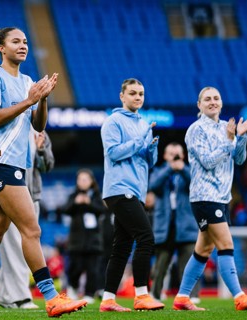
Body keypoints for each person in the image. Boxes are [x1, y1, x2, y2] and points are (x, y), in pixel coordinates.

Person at [0, 27, 86, 319]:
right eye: (16, 41)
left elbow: (38, 126)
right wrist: (28, 100)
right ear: (2, 47)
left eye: (26, 41)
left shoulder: (27, 80)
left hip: (14, 164)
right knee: (32, 229)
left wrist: (43, 98)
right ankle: (51, 298)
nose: (23, 45)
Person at [172, 86, 247, 311]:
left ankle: (182, 297)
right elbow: (207, 161)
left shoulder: (226, 127)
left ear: (221, 103)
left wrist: (240, 138)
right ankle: (239, 296)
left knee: (203, 250)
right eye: (207, 99)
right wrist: (229, 140)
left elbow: (239, 159)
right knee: (226, 244)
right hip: (204, 196)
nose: (213, 102)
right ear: (199, 105)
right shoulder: (195, 130)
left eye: (216, 98)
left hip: (221, 198)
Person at [99, 78, 164, 312]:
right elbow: (114, 153)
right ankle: (141, 295)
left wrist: (152, 148)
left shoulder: (143, 123)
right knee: (146, 238)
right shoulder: (112, 122)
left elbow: (149, 162)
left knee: (122, 247)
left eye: (141, 94)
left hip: (135, 190)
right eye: (133, 93)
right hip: (119, 188)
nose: (138, 97)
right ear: (122, 96)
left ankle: (108, 300)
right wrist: (140, 140)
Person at [0, 128, 54, 309]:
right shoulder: (7, 128)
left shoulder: (40, 132)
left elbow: (48, 166)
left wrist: (41, 150)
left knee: (21, 245)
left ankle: (3, 293)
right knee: (15, 246)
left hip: (31, 195)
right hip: (10, 195)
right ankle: (21, 297)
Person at [149, 142, 200, 301]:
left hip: (186, 226)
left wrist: (182, 168)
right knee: (160, 266)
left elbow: (196, 185)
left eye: (177, 154)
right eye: (171, 154)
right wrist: (170, 168)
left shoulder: (190, 171)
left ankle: (192, 296)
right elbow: (153, 185)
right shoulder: (159, 171)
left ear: (183, 155)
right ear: (164, 156)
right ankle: (155, 296)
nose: (174, 157)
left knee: (189, 265)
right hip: (165, 227)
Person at [59, 168, 107, 304]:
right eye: (80, 179)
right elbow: (65, 209)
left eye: (86, 179)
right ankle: (72, 289)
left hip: (93, 241)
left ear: (91, 181)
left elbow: (102, 210)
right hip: (76, 241)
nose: (83, 182)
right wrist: (76, 203)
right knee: (75, 267)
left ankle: (89, 294)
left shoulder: (97, 196)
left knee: (93, 269)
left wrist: (88, 203)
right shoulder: (73, 195)